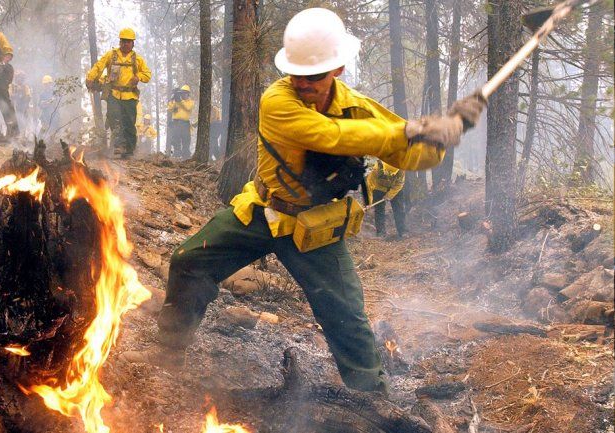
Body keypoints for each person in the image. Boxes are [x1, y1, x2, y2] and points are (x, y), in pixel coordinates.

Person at [120, 8, 484, 394]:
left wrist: (441, 138)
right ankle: (169, 354)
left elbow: (411, 154)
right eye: (295, 73)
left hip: (315, 229)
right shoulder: (277, 101)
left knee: (347, 317)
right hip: (262, 211)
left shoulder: (358, 109)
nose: (303, 83)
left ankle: (371, 397)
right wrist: (407, 129)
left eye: (313, 76)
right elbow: (329, 135)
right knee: (189, 262)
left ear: (338, 69)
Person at [86, 28, 151, 158]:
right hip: (114, 94)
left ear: (133, 43)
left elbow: (147, 74)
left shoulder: (137, 59)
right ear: (120, 41)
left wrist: (138, 77)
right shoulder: (111, 55)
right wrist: (90, 77)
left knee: (129, 123)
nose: (125, 44)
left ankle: (129, 150)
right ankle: (119, 146)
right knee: (114, 117)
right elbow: (99, 66)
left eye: (128, 41)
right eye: (123, 41)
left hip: (130, 96)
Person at [366, 161, 406, 237]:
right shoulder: (376, 169)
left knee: (399, 208)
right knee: (379, 209)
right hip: (379, 187)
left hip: (395, 187)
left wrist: (389, 195)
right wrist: (369, 202)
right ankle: (381, 232)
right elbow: (369, 185)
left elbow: (399, 184)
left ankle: (402, 231)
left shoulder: (401, 169)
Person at [167, 85, 194, 159]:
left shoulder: (190, 102)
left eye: (185, 93)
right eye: (181, 93)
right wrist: (173, 99)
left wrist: (180, 101)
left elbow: (188, 108)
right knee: (175, 140)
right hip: (176, 123)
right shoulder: (177, 101)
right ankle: (176, 156)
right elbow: (169, 109)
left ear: (188, 94)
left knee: (186, 140)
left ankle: (186, 157)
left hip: (185, 124)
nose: (183, 94)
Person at [10, 70, 32, 137]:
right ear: (15, 78)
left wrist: (23, 98)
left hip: (23, 109)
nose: (20, 79)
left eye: (21, 78)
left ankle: (22, 136)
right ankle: (13, 135)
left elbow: (28, 97)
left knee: (23, 122)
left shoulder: (25, 87)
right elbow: (10, 96)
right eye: (18, 77)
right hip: (13, 109)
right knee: (13, 122)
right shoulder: (12, 86)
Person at [38, 75, 58, 139]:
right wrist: (43, 103)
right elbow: (40, 105)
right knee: (44, 129)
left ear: (51, 84)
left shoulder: (55, 93)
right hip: (44, 115)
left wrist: (53, 101)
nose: (46, 86)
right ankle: (38, 142)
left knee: (53, 131)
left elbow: (58, 103)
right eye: (45, 84)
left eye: (48, 84)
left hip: (53, 115)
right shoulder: (42, 94)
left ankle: (51, 143)